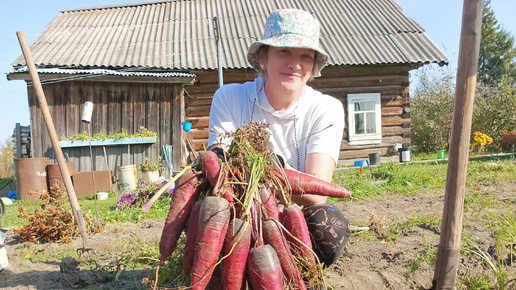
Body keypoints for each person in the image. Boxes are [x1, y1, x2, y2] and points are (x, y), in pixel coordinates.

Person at [207, 8, 350, 267]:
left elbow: (317, 194)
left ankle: (303, 273)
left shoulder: (325, 108)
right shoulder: (230, 98)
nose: (295, 63)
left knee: (328, 225)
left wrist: (271, 169)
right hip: (241, 213)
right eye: (283, 51)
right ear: (263, 57)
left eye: (305, 56)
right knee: (206, 212)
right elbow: (220, 173)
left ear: (313, 66)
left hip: (294, 218)